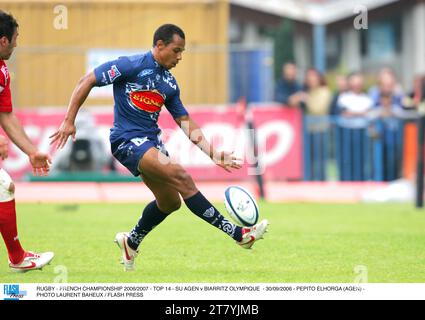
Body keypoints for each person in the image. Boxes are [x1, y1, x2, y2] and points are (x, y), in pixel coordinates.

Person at [50, 24, 269, 271]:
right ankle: (238, 234)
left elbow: (184, 121)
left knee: (170, 202)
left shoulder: (169, 84)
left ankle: (130, 241)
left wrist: (213, 153)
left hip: (151, 145)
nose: (180, 57)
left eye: (182, 52)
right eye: (176, 50)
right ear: (160, 45)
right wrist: (69, 120)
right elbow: (87, 80)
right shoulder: (129, 65)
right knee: (181, 176)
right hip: (126, 141)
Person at [0, 10, 54, 272]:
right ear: (3, 41)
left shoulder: (2, 73)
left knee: (3, 186)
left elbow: (6, 115)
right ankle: (18, 257)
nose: (17, 44)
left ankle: (18, 257)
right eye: (15, 38)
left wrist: (32, 151)